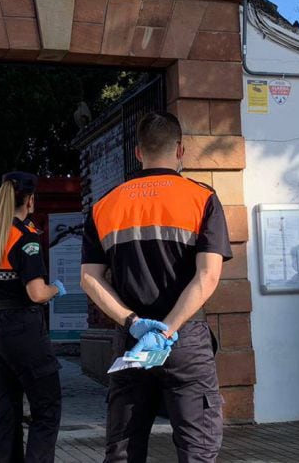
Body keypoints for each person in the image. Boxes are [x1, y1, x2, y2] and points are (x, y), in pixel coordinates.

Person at [81, 111, 232, 463]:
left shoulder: (105, 205)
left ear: (137, 153)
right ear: (181, 150)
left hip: (132, 341)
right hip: (185, 338)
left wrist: (133, 322)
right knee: (197, 448)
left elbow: (89, 278)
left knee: (122, 449)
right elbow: (207, 277)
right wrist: (168, 331)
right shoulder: (202, 198)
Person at [0, 171, 67, 463]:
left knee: (6, 412)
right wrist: (56, 289)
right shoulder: (26, 239)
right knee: (47, 408)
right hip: (23, 331)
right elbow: (37, 293)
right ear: (29, 200)